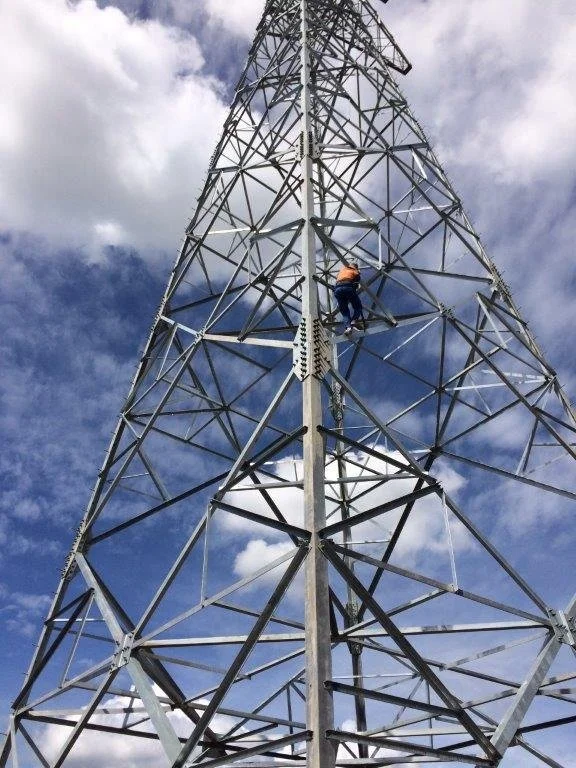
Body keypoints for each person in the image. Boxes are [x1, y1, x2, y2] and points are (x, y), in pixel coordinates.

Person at [333, 259, 363, 335]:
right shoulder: (355, 271)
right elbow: (356, 282)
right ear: (356, 267)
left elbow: (338, 279)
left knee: (344, 311)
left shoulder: (342, 270)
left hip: (338, 290)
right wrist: (358, 273)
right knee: (358, 306)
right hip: (348, 287)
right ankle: (354, 321)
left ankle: (348, 327)